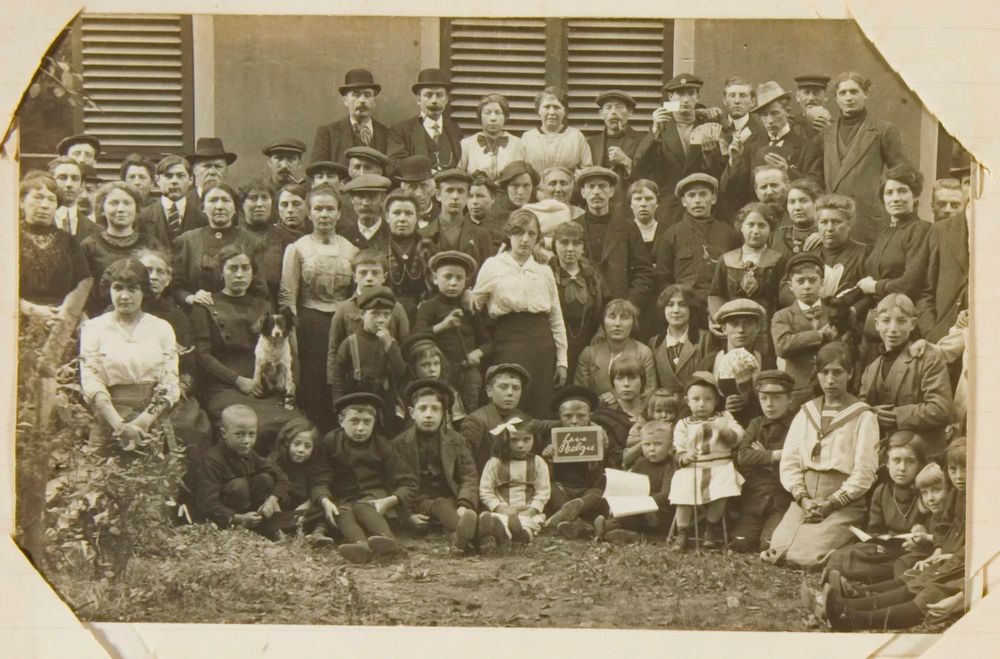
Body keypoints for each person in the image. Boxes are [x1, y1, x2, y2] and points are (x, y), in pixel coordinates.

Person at [819, 440, 966, 630]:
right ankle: (852, 601)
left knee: (932, 588)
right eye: (953, 470)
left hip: (964, 563)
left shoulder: (978, 497)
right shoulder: (957, 494)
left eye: (965, 469)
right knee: (920, 577)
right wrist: (938, 551)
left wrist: (948, 555)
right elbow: (944, 527)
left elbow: (978, 546)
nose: (959, 476)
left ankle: (854, 617)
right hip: (950, 557)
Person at [764, 342, 879, 568]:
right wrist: (803, 498)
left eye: (837, 373)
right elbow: (790, 461)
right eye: (824, 373)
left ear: (850, 373)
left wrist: (831, 503)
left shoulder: (863, 415)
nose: (830, 381)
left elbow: (865, 470)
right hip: (807, 499)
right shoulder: (807, 411)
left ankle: (848, 542)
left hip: (840, 502)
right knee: (777, 551)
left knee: (805, 558)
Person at [190, 244, 299, 456]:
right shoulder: (206, 305)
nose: (240, 274)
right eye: (232, 268)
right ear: (221, 272)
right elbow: (202, 355)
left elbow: (282, 348)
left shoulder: (263, 305)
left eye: (245, 268)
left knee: (295, 425)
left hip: (264, 383)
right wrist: (238, 380)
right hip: (226, 386)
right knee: (254, 427)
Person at [472, 209, 568, 418]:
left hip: (542, 346)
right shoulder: (493, 265)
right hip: (508, 342)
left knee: (540, 402)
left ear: (538, 238)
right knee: (510, 399)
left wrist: (562, 360)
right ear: (509, 235)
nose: (525, 239)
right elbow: (475, 306)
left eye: (531, 234)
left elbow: (556, 317)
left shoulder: (544, 270)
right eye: (519, 232)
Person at [79, 257, 180, 450]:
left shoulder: (161, 328)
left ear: (144, 292)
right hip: (109, 415)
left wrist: (143, 422)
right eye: (118, 288)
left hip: (151, 415)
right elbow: (91, 380)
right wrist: (119, 425)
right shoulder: (94, 328)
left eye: (132, 289)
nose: (124, 296)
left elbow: (170, 383)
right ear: (109, 289)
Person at [279, 185, 359, 429]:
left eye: (330, 209)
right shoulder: (297, 249)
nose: (324, 214)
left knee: (338, 379)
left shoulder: (352, 250)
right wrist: (292, 334)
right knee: (312, 383)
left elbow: (357, 293)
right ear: (309, 213)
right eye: (318, 209)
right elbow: (287, 295)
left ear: (339, 213)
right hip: (309, 324)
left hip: (342, 323)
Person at [311, 392, 414, 562]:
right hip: (344, 499)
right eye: (354, 421)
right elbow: (319, 477)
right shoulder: (331, 442)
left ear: (374, 422)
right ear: (341, 421)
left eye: (367, 422)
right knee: (341, 512)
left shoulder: (383, 446)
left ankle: (389, 542)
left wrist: (389, 500)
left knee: (363, 507)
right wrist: (324, 499)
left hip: (374, 498)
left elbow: (408, 483)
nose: (360, 428)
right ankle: (361, 547)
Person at [135, 248, 212, 470]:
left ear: (169, 280)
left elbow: (188, 367)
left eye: (161, 272)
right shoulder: (117, 310)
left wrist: (174, 393)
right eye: (148, 270)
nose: (154, 276)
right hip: (130, 390)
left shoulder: (177, 317)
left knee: (188, 428)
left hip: (171, 390)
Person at [823, 432, 929, 583]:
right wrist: (878, 542)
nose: (902, 468)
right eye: (896, 460)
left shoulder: (925, 492)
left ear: (920, 464)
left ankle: (867, 581)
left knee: (904, 564)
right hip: (887, 550)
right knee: (841, 555)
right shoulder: (882, 490)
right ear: (887, 462)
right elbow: (875, 529)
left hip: (914, 551)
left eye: (910, 462)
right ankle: (861, 575)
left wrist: (922, 538)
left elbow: (935, 530)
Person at [820, 72, 909, 246]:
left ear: (865, 94)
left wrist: (883, 198)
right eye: (842, 93)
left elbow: (902, 172)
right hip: (833, 220)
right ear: (836, 98)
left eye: (854, 91)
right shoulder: (826, 134)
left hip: (866, 218)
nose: (849, 98)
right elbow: (816, 177)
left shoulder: (883, 130)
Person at [859, 294, 953, 458]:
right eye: (886, 321)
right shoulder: (871, 369)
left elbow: (941, 409)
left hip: (924, 456)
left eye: (901, 321)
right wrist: (871, 413)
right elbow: (861, 407)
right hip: (883, 458)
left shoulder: (928, 360)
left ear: (912, 324)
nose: (893, 329)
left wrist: (896, 415)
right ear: (877, 324)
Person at [394, 379, 480, 553]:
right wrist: (408, 516)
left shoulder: (455, 440)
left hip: (451, 498)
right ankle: (475, 537)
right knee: (440, 505)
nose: (428, 414)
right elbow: (393, 483)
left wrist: (465, 504)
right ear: (411, 412)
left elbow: (469, 475)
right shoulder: (399, 444)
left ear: (444, 414)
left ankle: (463, 536)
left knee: (445, 505)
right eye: (422, 408)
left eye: (435, 409)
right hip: (419, 502)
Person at [668, 371, 745, 551]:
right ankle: (683, 532)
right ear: (687, 401)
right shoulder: (683, 424)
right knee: (682, 489)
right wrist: (684, 456)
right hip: (693, 467)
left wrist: (723, 431)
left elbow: (739, 436)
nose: (702, 404)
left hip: (720, 465)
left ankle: (710, 527)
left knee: (723, 489)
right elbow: (677, 447)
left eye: (707, 399)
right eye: (696, 399)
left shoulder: (724, 417)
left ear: (716, 401)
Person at [636, 74, 724, 224]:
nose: (685, 99)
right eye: (680, 94)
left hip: (700, 205)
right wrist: (654, 130)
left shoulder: (708, 126)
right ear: (670, 97)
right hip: (669, 207)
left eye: (691, 94)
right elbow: (640, 164)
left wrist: (709, 157)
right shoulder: (661, 128)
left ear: (698, 97)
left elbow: (720, 172)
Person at [193, 405, 290, 540]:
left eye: (252, 434)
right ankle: (238, 529)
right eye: (239, 434)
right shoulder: (212, 460)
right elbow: (207, 503)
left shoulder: (249, 453)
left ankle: (263, 526)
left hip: (248, 512)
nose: (247, 441)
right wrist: (238, 518)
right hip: (224, 515)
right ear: (224, 433)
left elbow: (281, 477)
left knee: (265, 479)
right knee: (239, 485)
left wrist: (272, 500)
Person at [721, 82, 822, 212]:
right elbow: (731, 192)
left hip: (791, 218)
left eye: (775, 113)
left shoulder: (807, 147)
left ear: (787, 111)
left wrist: (788, 171)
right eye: (764, 114)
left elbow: (816, 188)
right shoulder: (752, 146)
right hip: (759, 221)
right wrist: (734, 161)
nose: (769, 120)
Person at [414, 250, 491, 414]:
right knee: (441, 411)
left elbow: (488, 342)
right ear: (435, 278)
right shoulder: (429, 307)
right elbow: (415, 337)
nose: (453, 283)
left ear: (466, 282)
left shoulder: (470, 307)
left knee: (470, 412)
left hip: (468, 372)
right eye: (447, 277)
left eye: (459, 278)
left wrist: (477, 353)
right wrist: (442, 326)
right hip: (438, 373)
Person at [171, 182, 266, 309]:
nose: (219, 206)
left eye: (226, 200)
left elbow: (260, 291)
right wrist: (191, 298)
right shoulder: (186, 241)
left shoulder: (252, 242)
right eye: (213, 200)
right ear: (203, 208)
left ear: (235, 208)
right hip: (198, 314)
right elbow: (175, 286)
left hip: (241, 315)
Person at [732, 370, 796, 553]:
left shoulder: (797, 425)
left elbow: (796, 458)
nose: (769, 404)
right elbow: (743, 457)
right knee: (740, 543)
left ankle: (770, 533)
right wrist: (775, 455)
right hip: (755, 497)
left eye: (776, 398)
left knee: (769, 545)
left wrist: (760, 457)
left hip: (781, 498)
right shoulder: (756, 424)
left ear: (789, 398)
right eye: (764, 398)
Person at [707, 202, 787, 347]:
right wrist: (718, 318)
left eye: (762, 226)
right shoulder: (727, 260)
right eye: (750, 225)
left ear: (770, 229)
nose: (755, 231)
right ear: (741, 227)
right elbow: (716, 293)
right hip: (735, 328)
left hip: (767, 329)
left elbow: (784, 298)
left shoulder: (778, 260)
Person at [17, 172, 93, 324]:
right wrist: (28, 308)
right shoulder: (8, 238)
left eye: (51, 200)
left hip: (61, 320)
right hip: (16, 319)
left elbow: (83, 282)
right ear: (21, 202)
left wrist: (65, 311)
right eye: (38, 198)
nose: (45, 205)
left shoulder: (67, 240)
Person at [653, 173, 741, 303]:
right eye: (691, 195)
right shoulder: (671, 234)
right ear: (684, 201)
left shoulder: (728, 233)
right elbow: (663, 279)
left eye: (703, 194)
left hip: (721, 304)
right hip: (687, 305)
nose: (697, 200)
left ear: (714, 198)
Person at [574, 166, 654, 308]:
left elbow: (643, 271)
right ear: (583, 192)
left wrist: (629, 304)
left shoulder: (628, 227)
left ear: (611, 192)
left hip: (619, 307)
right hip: (583, 308)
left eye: (602, 186)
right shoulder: (574, 227)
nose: (597, 192)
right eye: (591, 187)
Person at [79, 182, 162, 315]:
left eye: (127, 203)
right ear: (102, 208)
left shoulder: (150, 244)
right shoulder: (90, 246)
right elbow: (81, 292)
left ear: (136, 209)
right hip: (100, 320)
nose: (121, 209)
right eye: (114, 203)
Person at [542, 385, 614, 539]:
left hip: (587, 489)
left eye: (581, 416)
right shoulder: (553, 438)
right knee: (551, 490)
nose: (574, 421)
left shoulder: (600, 436)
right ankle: (580, 524)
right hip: (563, 488)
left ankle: (574, 515)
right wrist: (547, 459)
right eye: (568, 416)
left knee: (598, 495)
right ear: (560, 417)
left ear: (590, 416)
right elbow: (545, 477)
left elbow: (601, 475)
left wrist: (600, 452)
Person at [771, 252, 840, 406]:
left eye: (812, 280)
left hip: (832, 388)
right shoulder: (782, 316)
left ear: (821, 282)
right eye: (800, 281)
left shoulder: (835, 312)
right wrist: (819, 335)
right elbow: (782, 346)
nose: (807, 286)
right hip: (797, 391)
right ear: (790, 286)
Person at [594, 419, 677, 544]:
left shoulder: (669, 466)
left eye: (658, 444)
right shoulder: (640, 463)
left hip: (659, 509)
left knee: (644, 515)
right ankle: (608, 528)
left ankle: (630, 534)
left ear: (670, 446)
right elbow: (631, 484)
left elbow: (666, 493)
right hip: (639, 506)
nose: (652, 449)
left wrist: (644, 503)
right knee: (624, 512)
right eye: (647, 445)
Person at [478, 418, 550, 551]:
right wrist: (500, 508)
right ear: (506, 440)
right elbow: (486, 490)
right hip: (503, 510)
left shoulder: (538, 462)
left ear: (534, 439)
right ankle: (499, 535)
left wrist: (532, 510)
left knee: (527, 524)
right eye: (514, 440)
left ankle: (521, 536)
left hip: (526, 511)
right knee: (493, 520)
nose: (520, 445)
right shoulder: (496, 463)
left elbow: (543, 491)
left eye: (526, 439)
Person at [328, 248, 410, 366]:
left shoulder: (397, 308)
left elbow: (405, 345)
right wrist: (333, 383)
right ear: (354, 277)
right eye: (363, 273)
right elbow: (334, 350)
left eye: (375, 273)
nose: (369, 278)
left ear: (384, 277)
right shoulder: (344, 309)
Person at [698, 298, 771, 428]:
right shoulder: (710, 361)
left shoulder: (766, 362)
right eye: (734, 324)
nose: (741, 330)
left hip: (755, 430)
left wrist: (749, 402)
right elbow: (695, 400)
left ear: (757, 328)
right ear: (724, 328)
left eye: (748, 324)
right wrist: (721, 406)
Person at [549, 221, 608, 382]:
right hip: (554, 344)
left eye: (576, 243)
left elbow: (606, 304)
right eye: (564, 242)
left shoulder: (592, 272)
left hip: (586, 341)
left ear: (583, 247)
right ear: (555, 244)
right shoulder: (546, 271)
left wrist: (601, 330)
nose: (570, 249)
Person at [916, 179, 969, 343]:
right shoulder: (936, 232)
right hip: (941, 333)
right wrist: (931, 332)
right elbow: (924, 289)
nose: (947, 210)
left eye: (955, 205)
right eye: (942, 204)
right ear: (932, 206)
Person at [574, 299, 656, 400]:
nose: (617, 323)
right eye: (612, 317)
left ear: (633, 323)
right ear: (603, 322)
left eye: (624, 317)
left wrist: (620, 397)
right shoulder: (589, 354)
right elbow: (580, 395)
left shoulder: (643, 353)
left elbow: (650, 392)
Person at [461, 363, 534, 473]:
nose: (510, 393)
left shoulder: (521, 418)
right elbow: (466, 465)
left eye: (516, 388)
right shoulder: (475, 422)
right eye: (503, 387)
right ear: (489, 391)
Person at [387, 68, 463, 174]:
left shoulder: (455, 130)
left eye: (439, 95)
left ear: (446, 100)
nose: (434, 101)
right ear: (418, 99)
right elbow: (394, 166)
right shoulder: (401, 131)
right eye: (428, 95)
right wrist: (425, 172)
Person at [270, 418, 330, 545]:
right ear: (287, 443)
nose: (301, 450)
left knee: (325, 507)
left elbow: (318, 485)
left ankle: (318, 533)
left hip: (305, 510)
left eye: (307, 446)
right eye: (296, 444)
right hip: (281, 510)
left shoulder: (315, 466)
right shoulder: (275, 462)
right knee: (269, 517)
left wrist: (308, 504)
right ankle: (284, 531)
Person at [311, 69, 390, 164]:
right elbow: (318, 172)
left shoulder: (387, 134)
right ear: (345, 100)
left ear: (374, 101)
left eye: (367, 95)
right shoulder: (328, 134)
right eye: (356, 95)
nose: (362, 100)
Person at [238, 179, 297, 305]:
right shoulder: (233, 236)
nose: (260, 204)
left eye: (265, 197)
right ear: (242, 204)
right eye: (253, 198)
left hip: (275, 306)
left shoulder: (286, 239)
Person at [420, 169, 494, 271]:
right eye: (449, 190)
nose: (455, 197)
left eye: (460, 191)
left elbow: (488, 277)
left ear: (468, 195)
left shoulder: (481, 236)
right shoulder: (422, 236)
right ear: (438, 195)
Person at [588, 90, 646, 216]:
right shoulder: (591, 143)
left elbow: (649, 179)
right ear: (601, 114)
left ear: (630, 113)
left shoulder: (643, 140)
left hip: (629, 209)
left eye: (619, 107)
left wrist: (626, 161)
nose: (613, 112)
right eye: (608, 107)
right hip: (599, 209)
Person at [648, 284, 713, 397]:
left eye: (682, 305)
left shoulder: (705, 339)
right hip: (666, 409)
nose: (676, 310)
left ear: (691, 309)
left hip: (698, 407)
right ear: (663, 309)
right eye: (670, 305)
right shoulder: (655, 343)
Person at [383, 190, 435, 323]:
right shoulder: (378, 248)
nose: (402, 219)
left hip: (422, 313)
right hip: (385, 313)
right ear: (387, 217)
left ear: (417, 217)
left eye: (408, 213)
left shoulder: (429, 247)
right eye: (396, 213)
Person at [521, 86, 592, 174]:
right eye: (546, 107)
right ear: (538, 111)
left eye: (557, 107)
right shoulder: (527, 138)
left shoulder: (576, 136)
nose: (551, 112)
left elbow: (587, 169)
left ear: (564, 111)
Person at [140, 155, 207, 247]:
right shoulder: (143, 217)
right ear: (157, 180)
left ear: (190, 180)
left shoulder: (202, 217)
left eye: (180, 176)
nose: (174, 181)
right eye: (168, 176)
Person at [458, 94, 526, 180]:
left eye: (498, 113)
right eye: (487, 113)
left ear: (505, 117)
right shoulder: (467, 144)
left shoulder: (518, 144)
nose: (493, 118)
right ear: (480, 116)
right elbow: (461, 178)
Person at [622, 388, 681, 469]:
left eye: (669, 412)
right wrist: (649, 438)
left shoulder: (677, 428)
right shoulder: (641, 425)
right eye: (659, 411)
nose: (664, 415)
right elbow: (629, 442)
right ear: (651, 411)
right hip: (643, 463)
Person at [48, 156, 100, 245]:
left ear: (82, 185)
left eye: (75, 179)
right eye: (62, 178)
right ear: (51, 182)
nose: (69, 184)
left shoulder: (97, 231)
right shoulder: (38, 223)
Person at [339, 173, 392, 251]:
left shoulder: (392, 234)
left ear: (382, 198)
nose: (365, 203)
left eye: (372, 197)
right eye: (360, 197)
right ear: (352, 199)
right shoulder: (343, 237)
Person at [486, 160, 539, 231]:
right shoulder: (494, 210)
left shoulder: (537, 207)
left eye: (526, 186)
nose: (520, 192)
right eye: (515, 185)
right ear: (506, 187)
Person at [186, 137, 237, 207]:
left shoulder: (236, 201)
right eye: (206, 166)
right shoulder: (185, 202)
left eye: (218, 166)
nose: (212, 172)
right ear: (195, 171)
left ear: (226, 170)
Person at [396, 155, 441, 230]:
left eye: (424, 186)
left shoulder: (443, 217)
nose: (418, 194)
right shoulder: (396, 220)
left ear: (433, 190)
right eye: (412, 187)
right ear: (404, 191)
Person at [791, 74, 833, 139]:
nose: (811, 98)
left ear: (826, 96)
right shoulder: (791, 125)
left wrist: (830, 133)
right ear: (798, 96)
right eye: (806, 93)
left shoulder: (836, 127)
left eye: (816, 93)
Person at [466, 171, 501, 247]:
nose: (474, 202)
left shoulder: (502, 227)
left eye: (480, 196)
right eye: (470, 196)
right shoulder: (459, 227)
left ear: (493, 198)